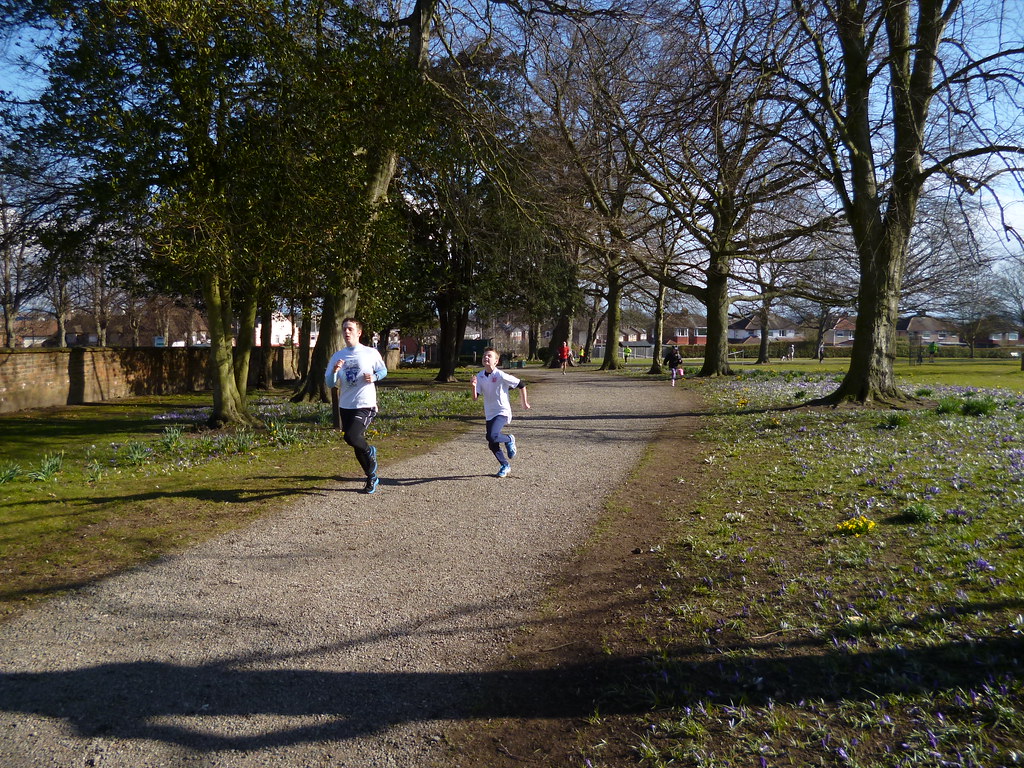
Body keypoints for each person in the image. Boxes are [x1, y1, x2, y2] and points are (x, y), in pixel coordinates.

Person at [325, 318, 388, 494]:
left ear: (358, 333)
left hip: (365, 403)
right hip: (346, 405)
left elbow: (383, 371)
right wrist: (335, 370)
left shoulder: (370, 353)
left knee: (352, 436)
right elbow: (330, 383)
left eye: (350, 329)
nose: (347, 332)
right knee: (353, 440)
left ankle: (370, 452)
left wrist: (374, 377)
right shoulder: (338, 356)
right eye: (344, 329)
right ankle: (371, 477)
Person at [472, 348, 530, 478]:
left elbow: (521, 384)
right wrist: (473, 386)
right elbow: (475, 398)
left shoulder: (501, 375)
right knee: (492, 443)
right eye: (484, 356)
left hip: (502, 411)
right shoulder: (480, 376)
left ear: (496, 361)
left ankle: (509, 438)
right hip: (489, 413)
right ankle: (505, 465)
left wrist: (524, 402)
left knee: (492, 436)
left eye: (489, 356)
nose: (486, 358)